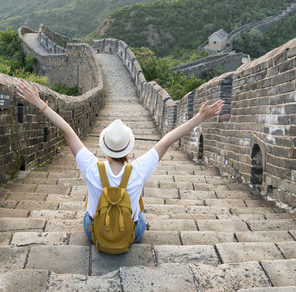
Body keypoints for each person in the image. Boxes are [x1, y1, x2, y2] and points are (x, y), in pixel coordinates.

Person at [15, 81, 224, 244]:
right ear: (129, 148)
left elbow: (67, 130)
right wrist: (199, 117)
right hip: (129, 234)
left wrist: (39, 103)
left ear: (104, 147)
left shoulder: (91, 166)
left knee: (90, 205)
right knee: (139, 212)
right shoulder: (139, 170)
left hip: (95, 234)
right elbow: (167, 139)